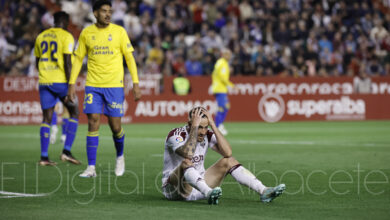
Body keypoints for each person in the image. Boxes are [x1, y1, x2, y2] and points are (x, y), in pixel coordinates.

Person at [67, 0, 141, 178]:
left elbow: (129, 59)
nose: (108, 14)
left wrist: (136, 84)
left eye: (110, 11)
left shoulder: (119, 32)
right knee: (93, 121)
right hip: (93, 85)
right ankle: (91, 168)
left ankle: (120, 156)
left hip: (114, 85)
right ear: (95, 13)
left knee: (115, 126)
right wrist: (71, 84)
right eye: (104, 11)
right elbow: (78, 60)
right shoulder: (87, 33)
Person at [162, 106, 285, 204]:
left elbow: (228, 152)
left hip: (200, 186)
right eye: (200, 127)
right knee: (186, 162)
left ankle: (263, 190)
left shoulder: (207, 134)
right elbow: (188, 154)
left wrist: (214, 125)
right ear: (189, 124)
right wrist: (194, 127)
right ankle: (208, 192)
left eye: (206, 127)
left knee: (229, 160)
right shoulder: (176, 135)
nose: (203, 132)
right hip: (175, 189)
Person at [34, 11, 81, 166]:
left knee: (46, 118)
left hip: (44, 81)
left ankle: (44, 157)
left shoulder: (41, 36)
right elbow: (68, 63)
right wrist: (70, 86)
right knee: (74, 111)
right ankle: (66, 151)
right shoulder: (66, 36)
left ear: (54, 21)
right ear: (66, 22)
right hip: (60, 81)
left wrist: (45, 73)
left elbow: (37, 61)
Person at [211, 48, 235, 135]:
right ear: (224, 54)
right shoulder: (222, 63)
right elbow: (223, 78)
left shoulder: (221, 63)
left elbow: (214, 74)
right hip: (220, 88)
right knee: (222, 107)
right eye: (229, 54)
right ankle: (218, 126)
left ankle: (219, 125)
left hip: (219, 88)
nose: (230, 56)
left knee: (226, 106)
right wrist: (232, 86)